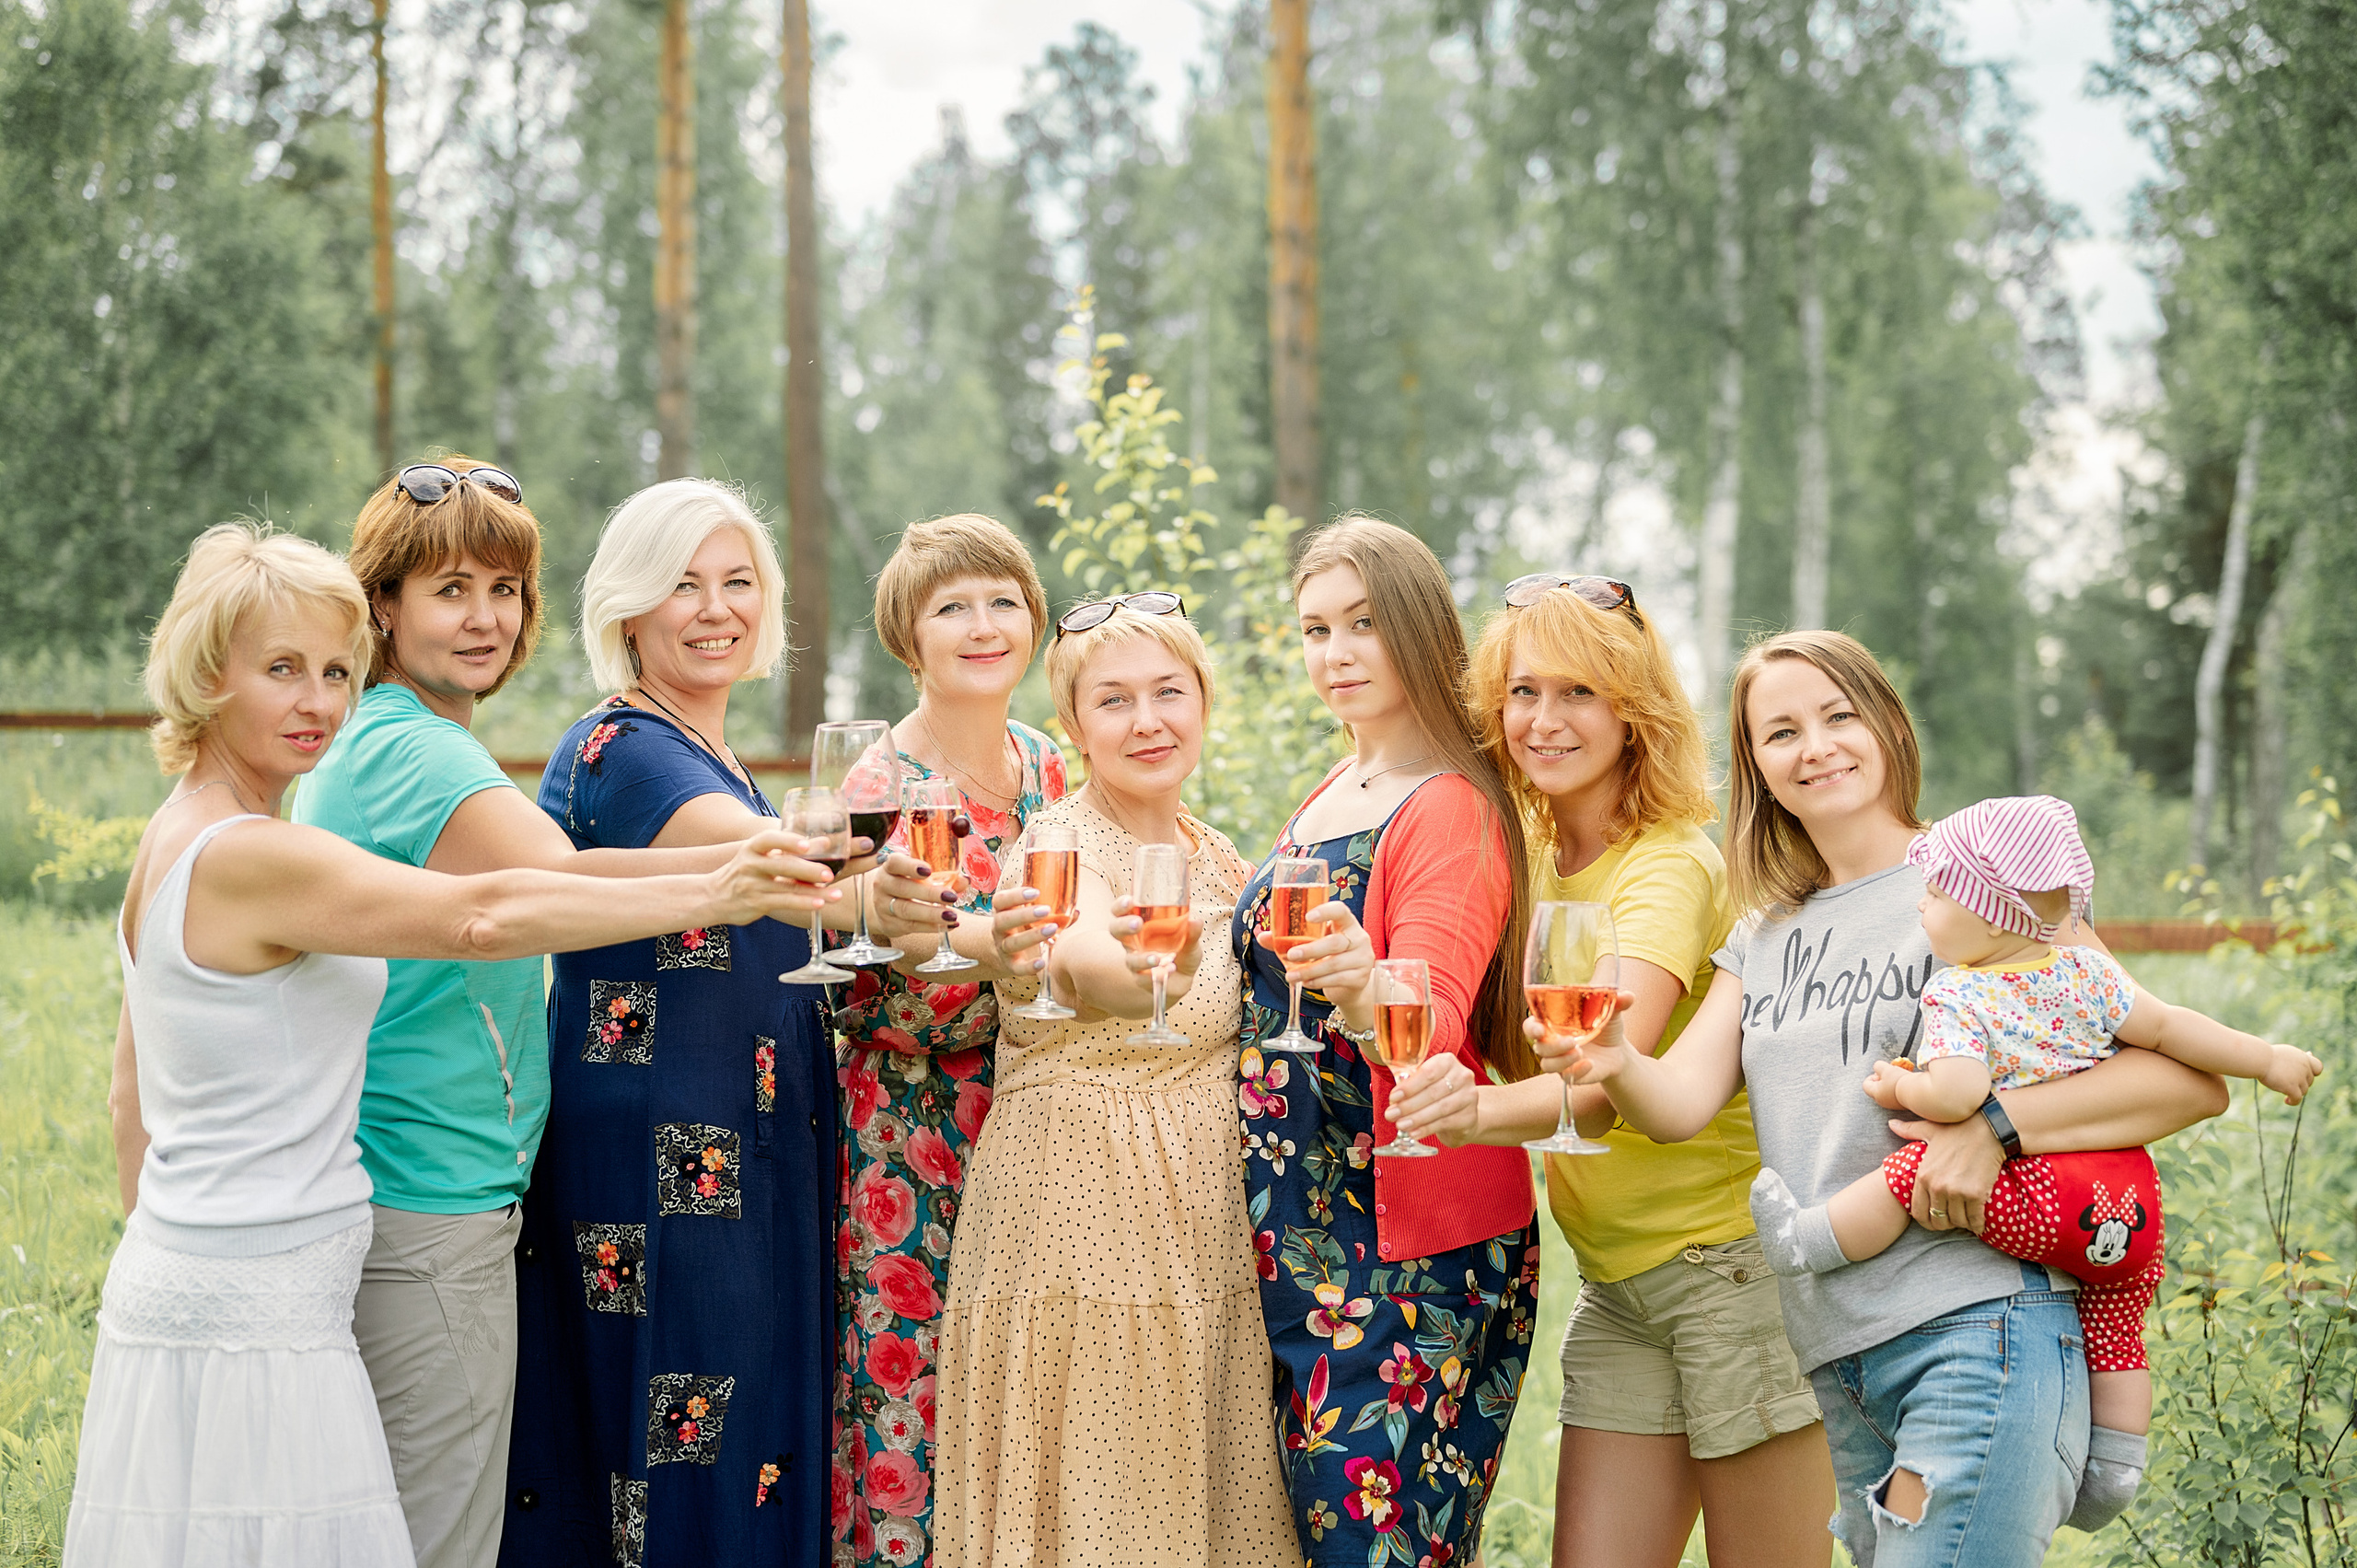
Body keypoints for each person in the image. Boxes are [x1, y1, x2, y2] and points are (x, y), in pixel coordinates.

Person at [69, 523, 830, 1567]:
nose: (318, 702)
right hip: (264, 1301)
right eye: (281, 670)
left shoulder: (175, 833)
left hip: (200, 1282)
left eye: (335, 671)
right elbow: (482, 912)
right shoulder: (256, 853)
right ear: (206, 676)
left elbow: (131, 1093)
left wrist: (175, 1274)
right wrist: (722, 887)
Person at [1473, 630, 2228, 1566]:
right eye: (1779, 730)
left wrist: (1992, 1126)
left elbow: (2182, 1076)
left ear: (1887, 726)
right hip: (1842, 1355)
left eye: (1838, 715)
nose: (1815, 745)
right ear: (1753, 763)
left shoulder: (1980, 883)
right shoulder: (1765, 928)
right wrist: (1614, 1053)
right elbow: (1675, 1106)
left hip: (1979, 1326)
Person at [295, 459, 789, 1568]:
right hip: (431, 1193)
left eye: (505, 589)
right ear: (383, 605)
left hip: (429, 1186)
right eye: (450, 588)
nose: (484, 617)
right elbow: (550, 887)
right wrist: (753, 878)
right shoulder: (409, 746)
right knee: (441, 1536)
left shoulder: (405, 738)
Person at [1387, 574, 1835, 1565]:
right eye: (1523, 691)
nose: (1545, 720)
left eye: (1580, 693)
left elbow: (1597, 1081)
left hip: (1729, 1273)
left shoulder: (1667, 865)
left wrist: (1468, 1111)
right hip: (1620, 1284)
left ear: (1633, 715)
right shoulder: (1524, 848)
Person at [1748, 791, 2321, 1530]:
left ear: (1989, 912)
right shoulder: (2090, 977)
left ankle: (1809, 1239)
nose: (1920, 906)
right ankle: (2112, 1467)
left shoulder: (1958, 989)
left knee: (1903, 1176)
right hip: (2118, 1202)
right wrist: (2268, 1058)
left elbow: (1956, 1092)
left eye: (1934, 892)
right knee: (2117, 1316)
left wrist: (1902, 1083)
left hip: (2024, 1206)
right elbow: (2177, 1029)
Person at [501, 481, 847, 1568]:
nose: (715, 608)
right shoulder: (628, 747)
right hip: (668, 1160)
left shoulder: (707, 749)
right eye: (682, 585)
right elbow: (791, 877)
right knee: (687, 1432)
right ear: (630, 611)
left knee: (730, 1425)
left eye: (737, 581)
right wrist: (952, 915)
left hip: (726, 1138)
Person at [934, 598, 1308, 1565]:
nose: (1147, 720)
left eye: (1167, 692)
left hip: (1202, 1227)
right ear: (1074, 727)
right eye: (1114, 700)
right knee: (1107, 1509)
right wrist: (1152, 967)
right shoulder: (1058, 845)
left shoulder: (1215, 849)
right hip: (1082, 1216)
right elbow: (1085, 960)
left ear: (1203, 703)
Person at [1229, 517, 1540, 1563]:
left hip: (1404, 1245)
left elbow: (1434, 1027)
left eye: (1363, 624)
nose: (1336, 653)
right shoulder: (1328, 791)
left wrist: (1366, 989)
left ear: (1416, 629)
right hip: (1301, 1230)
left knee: (1381, 1543)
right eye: (1316, 629)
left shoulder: (1449, 803)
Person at [831, 514, 1068, 1565]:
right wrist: (996, 952)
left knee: (1026, 1413)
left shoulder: (1049, 763)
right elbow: (861, 994)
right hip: (910, 1137)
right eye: (952, 607)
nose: (983, 625)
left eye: (1003, 600)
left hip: (1044, 1130)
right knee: (910, 1407)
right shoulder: (876, 792)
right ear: (908, 635)